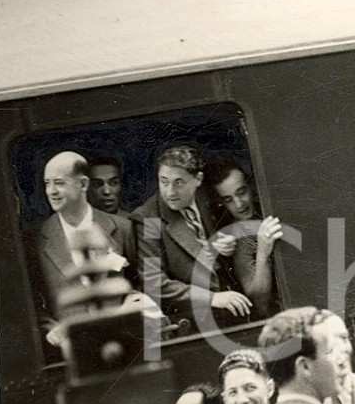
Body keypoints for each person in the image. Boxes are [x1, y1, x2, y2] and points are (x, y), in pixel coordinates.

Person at [130, 144, 253, 325]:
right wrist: (212, 298)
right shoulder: (149, 220)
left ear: (198, 180)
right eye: (164, 181)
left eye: (179, 182)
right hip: (194, 318)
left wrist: (227, 244)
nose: (170, 192)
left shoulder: (207, 195)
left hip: (238, 301)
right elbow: (155, 283)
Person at [32, 150, 137, 343]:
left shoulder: (122, 227)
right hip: (71, 348)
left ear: (83, 184)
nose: (51, 191)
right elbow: (32, 306)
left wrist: (133, 305)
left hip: (125, 339)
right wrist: (53, 330)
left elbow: (140, 284)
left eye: (59, 183)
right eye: (47, 183)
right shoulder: (35, 240)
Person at [205, 153, 282, 317]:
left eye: (241, 192)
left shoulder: (271, 207)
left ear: (251, 187)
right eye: (228, 200)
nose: (239, 204)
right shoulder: (239, 236)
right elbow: (260, 302)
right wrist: (262, 252)